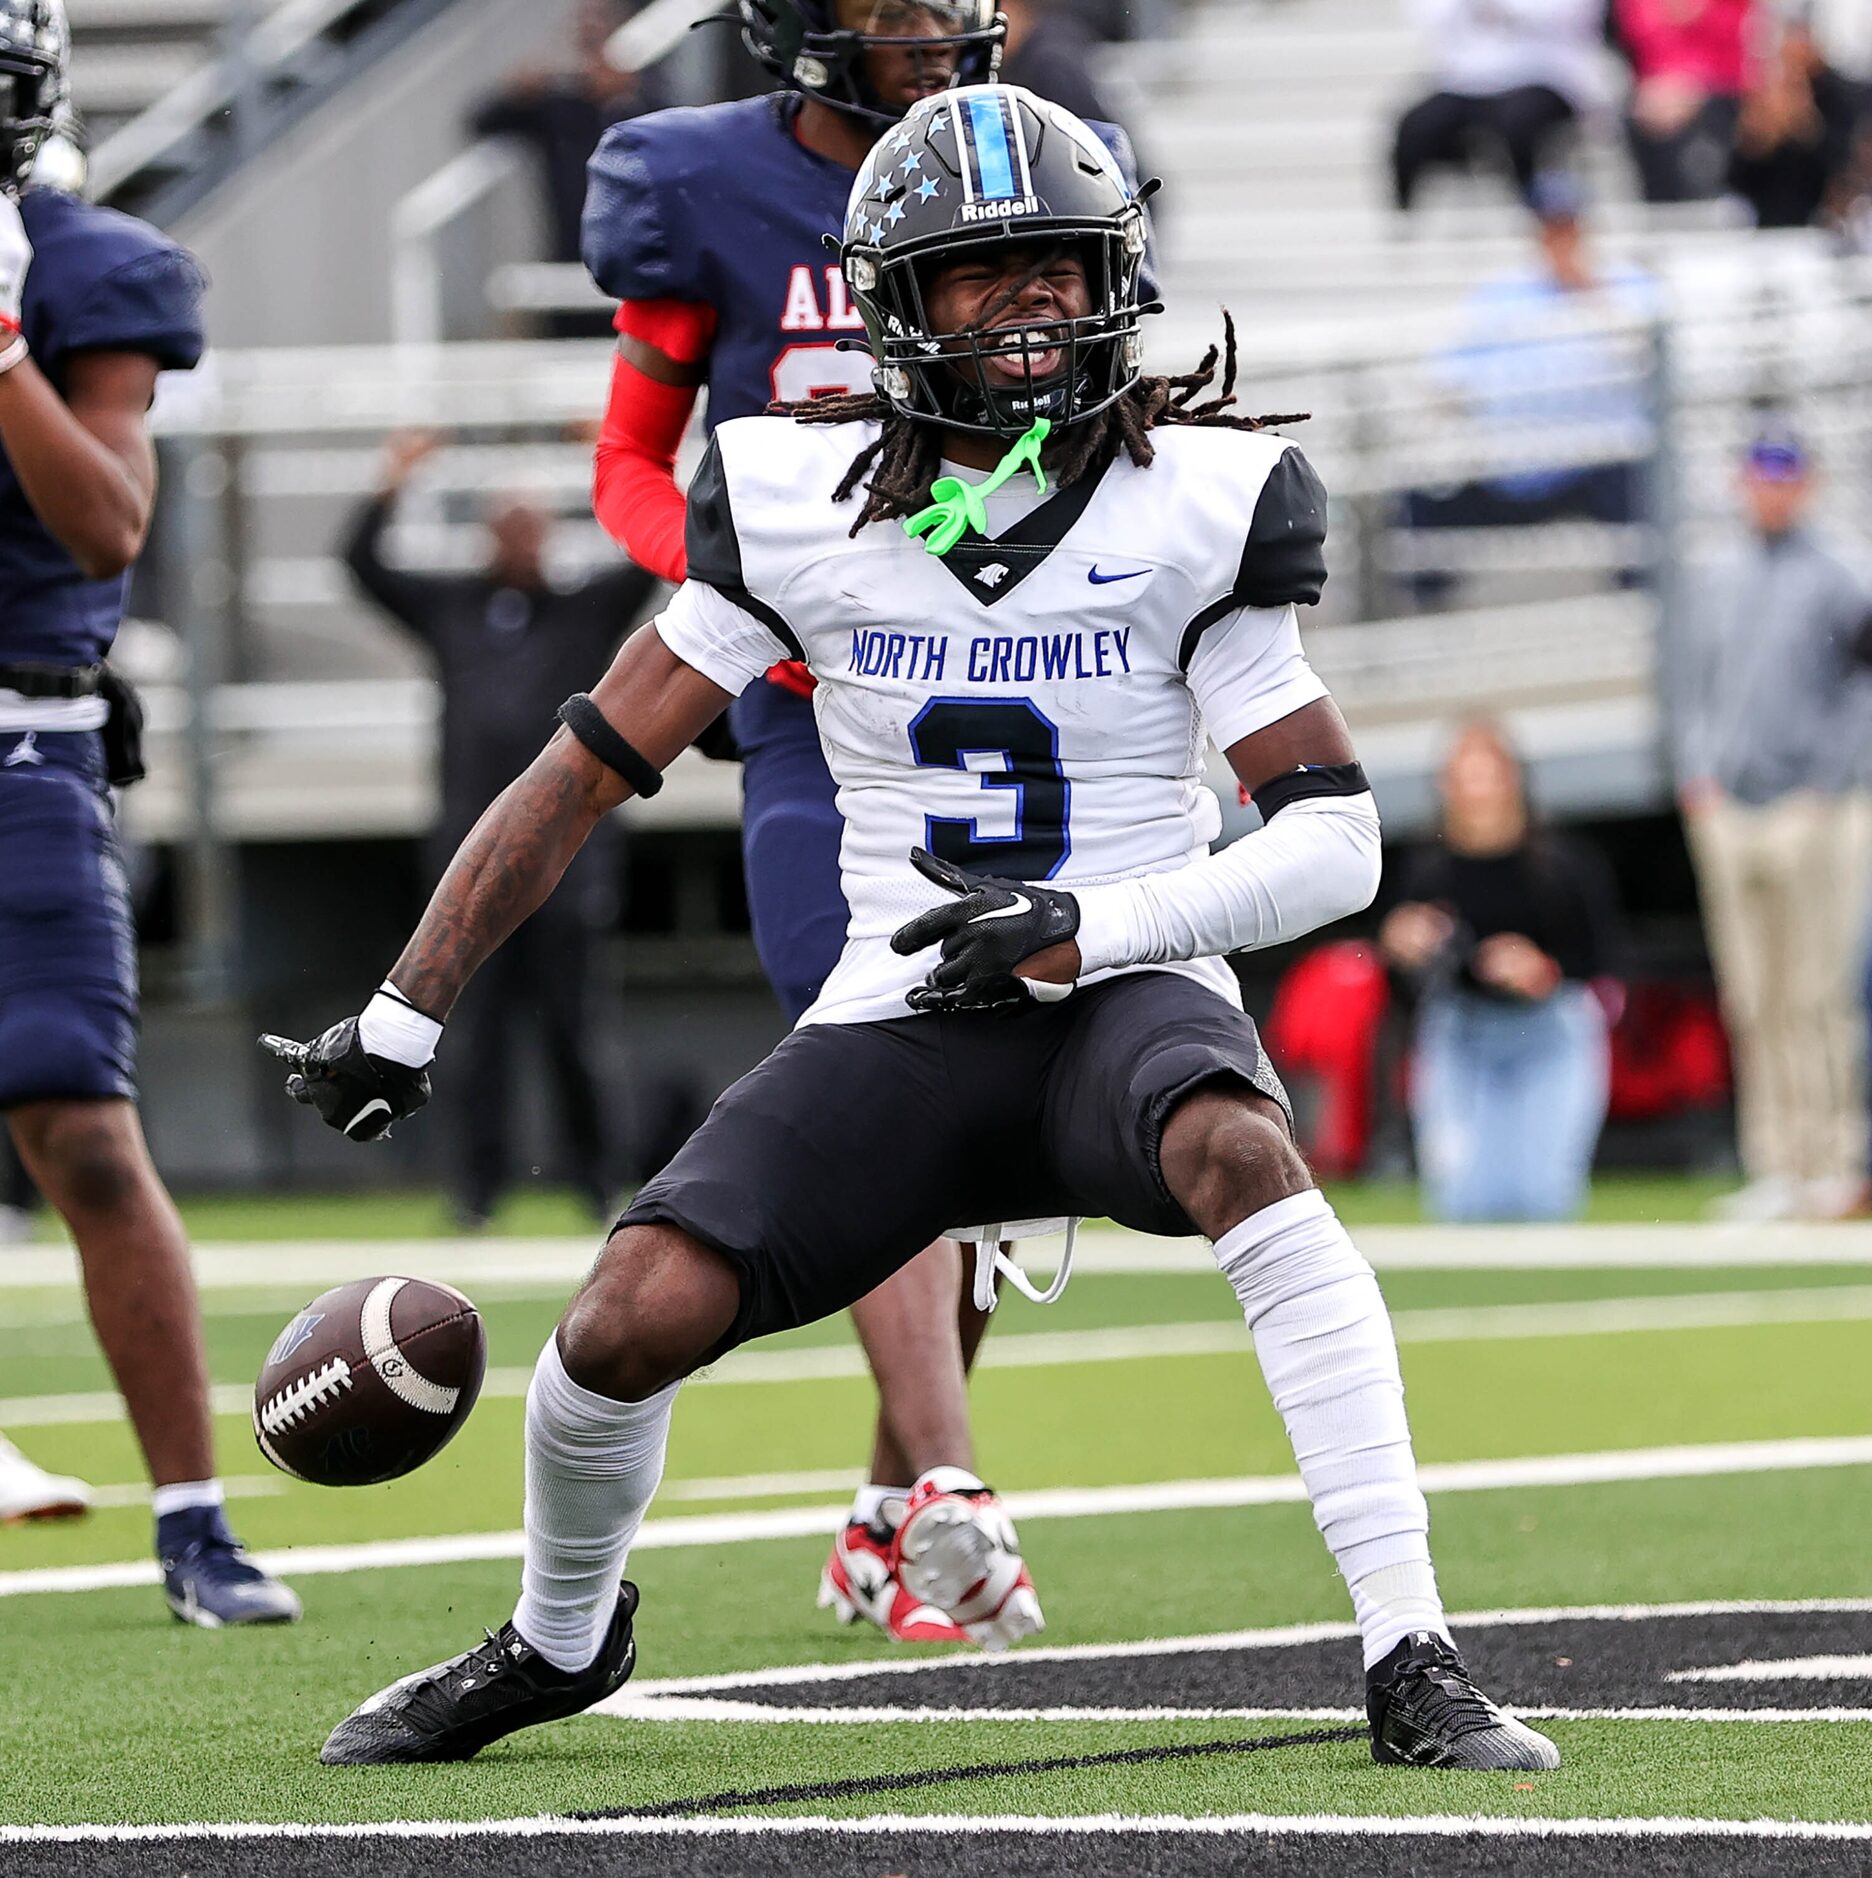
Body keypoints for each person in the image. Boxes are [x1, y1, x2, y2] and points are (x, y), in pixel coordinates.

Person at [272, 84, 1559, 1776]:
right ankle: (559, 1636)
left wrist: (1094, 923)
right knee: (623, 1315)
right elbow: (586, 766)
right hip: (896, 1009)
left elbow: (1333, 838)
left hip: (1119, 992)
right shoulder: (803, 496)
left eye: (1056, 266)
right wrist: (404, 1007)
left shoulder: (1196, 497)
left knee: (1246, 1153)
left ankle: (1411, 1648)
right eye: (981, 274)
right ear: (893, 307)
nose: (1029, 303)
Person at [582, 0, 1139, 1646]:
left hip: (995, 693)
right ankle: (953, 1488)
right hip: (810, 710)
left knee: (961, 1105)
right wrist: (735, 594)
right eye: (883, 8)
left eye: (939, 7)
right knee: (882, 1042)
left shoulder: (1039, 170)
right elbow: (630, 454)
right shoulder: (704, 188)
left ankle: (892, 1504)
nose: (921, 35)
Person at [0, 0, 297, 1622]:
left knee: (82, 1129)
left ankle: (194, 1522)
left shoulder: (81, 267)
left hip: (17, 745)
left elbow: (107, 520)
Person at [341, 429, 655, 1228]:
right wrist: (392, 482)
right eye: (505, 525)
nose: (518, 539)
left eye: (530, 524)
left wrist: (613, 466)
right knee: (471, 1037)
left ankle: (595, 1185)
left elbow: (661, 556)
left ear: (549, 533)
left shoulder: (585, 613)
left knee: (576, 1033)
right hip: (466, 865)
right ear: (488, 535)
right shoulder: (453, 608)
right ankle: (475, 1194)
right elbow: (361, 564)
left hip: (569, 868)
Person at [1667, 431, 1872, 1222]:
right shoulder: (1717, 576)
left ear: (1807, 485)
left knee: (1816, 989)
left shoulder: (1838, 575)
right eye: (1759, 477)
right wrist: (1700, 772)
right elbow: (1692, 681)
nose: (1771, 492)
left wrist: (1827, 781)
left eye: (1784, 478)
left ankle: (1834, 1158)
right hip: (1731, 806)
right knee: (1754, 993)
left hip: (1807, 807)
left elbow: (1858, 690)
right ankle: (1777, 1161)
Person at [1380, 723, 1620, 1221]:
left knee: (1542, 1195)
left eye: (1487, 777)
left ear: (1513, 781)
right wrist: (1401, 946)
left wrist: (1542, 969)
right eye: (1464, 779)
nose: (1477, 793)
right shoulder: (1429, 868)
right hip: (1464, 1032)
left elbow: (1604, 966)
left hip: (1547, 1031)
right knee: (1463, 1197)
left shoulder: (1561, 864)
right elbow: (1400, 985)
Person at [1399, 174, 1655, 606]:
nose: (1560, 239)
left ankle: (1644, 608)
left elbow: (1646, 358)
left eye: (1568, 227)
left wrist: (1589, 291)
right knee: (1422, 497)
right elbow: (1446, 378)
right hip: (1514, 467)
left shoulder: (1628, 286)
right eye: (1551, 228)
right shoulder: (1501, 294)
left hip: (1599, 461)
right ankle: (1421, 614)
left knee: (1639, 484)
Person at [468, 0, 667, 337]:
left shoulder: (641, 106)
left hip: (635, 258)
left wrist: (626, 92)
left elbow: (678, 129)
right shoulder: (556, 107)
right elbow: (481, 122)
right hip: (567, 254)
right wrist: (518, 91)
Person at [1390, 0, 1604, 213]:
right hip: (1467, 81)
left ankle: (1539, 207)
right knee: (1416, 128)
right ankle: (1405, 218)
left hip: (1545, 76)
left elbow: (1568, 15)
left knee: (1520, 123)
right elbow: (1427, 16)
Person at [1726, 12, 1864, 229]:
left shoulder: (1841, 95)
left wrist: (1806, 127)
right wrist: (1758, 141)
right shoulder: (1765, 95)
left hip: (1827, 223)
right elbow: (1737, 181)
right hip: (1770, 226)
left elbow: (1844, 166)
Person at [1612, 0, 1754, 203]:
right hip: (1657, 85)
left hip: (1721, 82)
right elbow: (1636, 31)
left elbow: (1738, 30)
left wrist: (1697, 14)